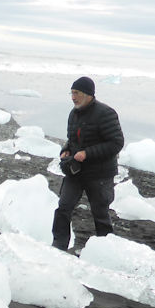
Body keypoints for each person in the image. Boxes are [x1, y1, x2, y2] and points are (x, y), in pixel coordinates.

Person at [51, 76, 125, 249]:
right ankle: (59, 245)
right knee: (63, 207)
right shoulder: (74, 113)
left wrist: (87, 153)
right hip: (75, 172)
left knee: (100, 214)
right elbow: (71, 139)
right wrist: (66, 150)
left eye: (76, 93)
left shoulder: (106, 113)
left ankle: (106, 249)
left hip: (100, 174)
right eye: (71, 93)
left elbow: (116, 143)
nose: (73, 97)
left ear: (88, 94)